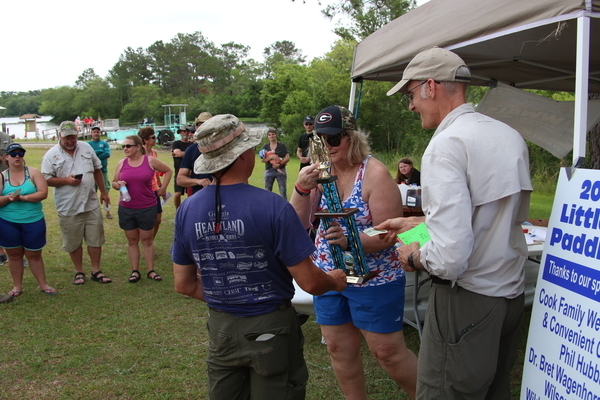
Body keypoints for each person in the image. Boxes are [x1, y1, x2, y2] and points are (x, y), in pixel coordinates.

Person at [378, 47, 533, 399]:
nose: (411, 104)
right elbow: (486, 221)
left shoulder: (445, 145)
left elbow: (450, 258)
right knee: (492, 389)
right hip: (508, 295)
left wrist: (413, 257)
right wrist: (417, 225)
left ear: (431, 86)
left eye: (410, 93)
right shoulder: (508, 135)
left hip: (467, 299)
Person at [171, 113, 347, 400]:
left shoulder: (187, 209)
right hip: (271, 327)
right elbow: (311, 282)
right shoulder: (272, 207)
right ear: (243, 156)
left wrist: (230, 297)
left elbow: (184, 284)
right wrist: (336, 281)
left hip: (221, 327)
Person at [290, 105, 418, 399]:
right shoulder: (321, 172)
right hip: (331, 275)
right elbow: (297, 224)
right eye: (319, 140)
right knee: (337, 348)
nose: (327, 146)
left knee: (387, 352)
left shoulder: (374, 173)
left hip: (373, 276)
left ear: (352, 137)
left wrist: (351, 240)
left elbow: (388, 234)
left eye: (334, 139)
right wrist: (301, 188)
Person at [41, 121, 112, 285]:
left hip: (90, 202)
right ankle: (79, 271)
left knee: (95, 238)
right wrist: (66, 180)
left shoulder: (86, 148)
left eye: (73, 137)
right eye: (67, 138)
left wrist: (104, 192)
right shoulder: (51, 155)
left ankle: (96, 270)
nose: (70, 141)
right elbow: (46, 179)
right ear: (60, 136)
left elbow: (97, 168)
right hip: (68, 205)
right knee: (73, 240)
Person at [113, 135, 172, 283]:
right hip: (127, 207)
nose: (125, 149)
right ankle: (135, 271)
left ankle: (151, 270)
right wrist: (117, 184)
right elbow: (114, 182)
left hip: (147, 207)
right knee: (132, 240)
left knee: (147, 240)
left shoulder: (149, 161)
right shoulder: (121, 163)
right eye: (123, 146)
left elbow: (168, 171)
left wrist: (163, 188)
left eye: (128, 146)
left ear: (138, 147)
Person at [0, 143, 55, 297]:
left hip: (33, 220)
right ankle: (17, 287)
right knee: (14, 255)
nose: (17, 156)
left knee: (34, 255)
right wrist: (9, 198)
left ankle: (43, 285)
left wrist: (23, 197)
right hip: (7, 222)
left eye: (20, 153)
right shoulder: (2, 176)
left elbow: (43, 193)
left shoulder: (33, 173)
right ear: (6, 157)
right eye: (13, 154)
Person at [176, 112, 213, 196]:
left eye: (205, 124)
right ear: (196, 127)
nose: (201, 128)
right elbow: (180, 179)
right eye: (199, 125)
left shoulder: (223, 147)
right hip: (200, 196)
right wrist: (198, 181)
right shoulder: (192, 150)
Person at [138, 127, 164, 239]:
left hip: (154, 189)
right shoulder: (138, 154)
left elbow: (156, 172)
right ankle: (145, 242)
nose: (155, 139)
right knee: (144, 219)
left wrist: (160, 185)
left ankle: (150, 242)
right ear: (145, 140)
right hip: (142, 190)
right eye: (153, 137)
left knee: (157, 219)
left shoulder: (154, 153)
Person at [88, 126, 112, 219]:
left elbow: (107, 154)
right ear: (91, 133)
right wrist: (98, 152)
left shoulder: (104, 143)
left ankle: (108, 211)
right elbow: (88, 156)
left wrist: (94, 154)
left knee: (105, 191)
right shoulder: (88, 144)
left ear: (100, 133)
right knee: (92, 193)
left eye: (98, 132)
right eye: (94, 132)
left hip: (103, 171)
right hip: (91, 172)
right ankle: (94, 213)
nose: (96, 133)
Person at [260, 128, 289, 199]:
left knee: (283, 191)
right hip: (269, 170)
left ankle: (284, 206)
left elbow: (287, 158)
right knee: (267, 190)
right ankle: (267, 205)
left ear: (276, 135)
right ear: (267, 136)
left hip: (281, 170)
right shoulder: (265, 147)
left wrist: (279, 164)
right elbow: (263, 160)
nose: (271, 136)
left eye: (273, 134)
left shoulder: (282, 146)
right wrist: (271, 157)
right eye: (269, 135)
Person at [171, 125, 194, 209]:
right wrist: (189, 154)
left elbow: (180, 154)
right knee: (177, 194)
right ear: (180, 132)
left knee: (191, 194)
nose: (186, 133)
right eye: (184, 131)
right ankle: (178, 211)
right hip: (179, 172)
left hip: (191, 172)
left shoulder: (192, 144)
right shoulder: (176, 143)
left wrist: (181, 154)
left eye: (188, 131)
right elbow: (178, 153)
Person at [0, 130, 13, 266]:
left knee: (7, 217)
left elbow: (15, 153)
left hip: (6, 181)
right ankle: (1, 253)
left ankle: (13, 254)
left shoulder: (5, 137)